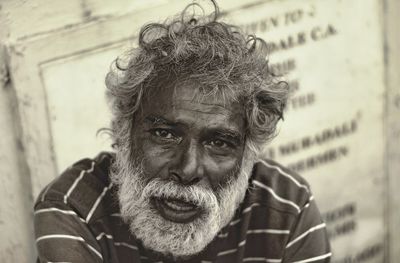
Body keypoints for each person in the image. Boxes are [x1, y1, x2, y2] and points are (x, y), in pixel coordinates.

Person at [34, 1, 331, 262]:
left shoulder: (288, 208)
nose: (187, 170)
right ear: (123, 132)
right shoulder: (75, 209)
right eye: (164, 134)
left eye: (219, 142)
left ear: (249, 155)